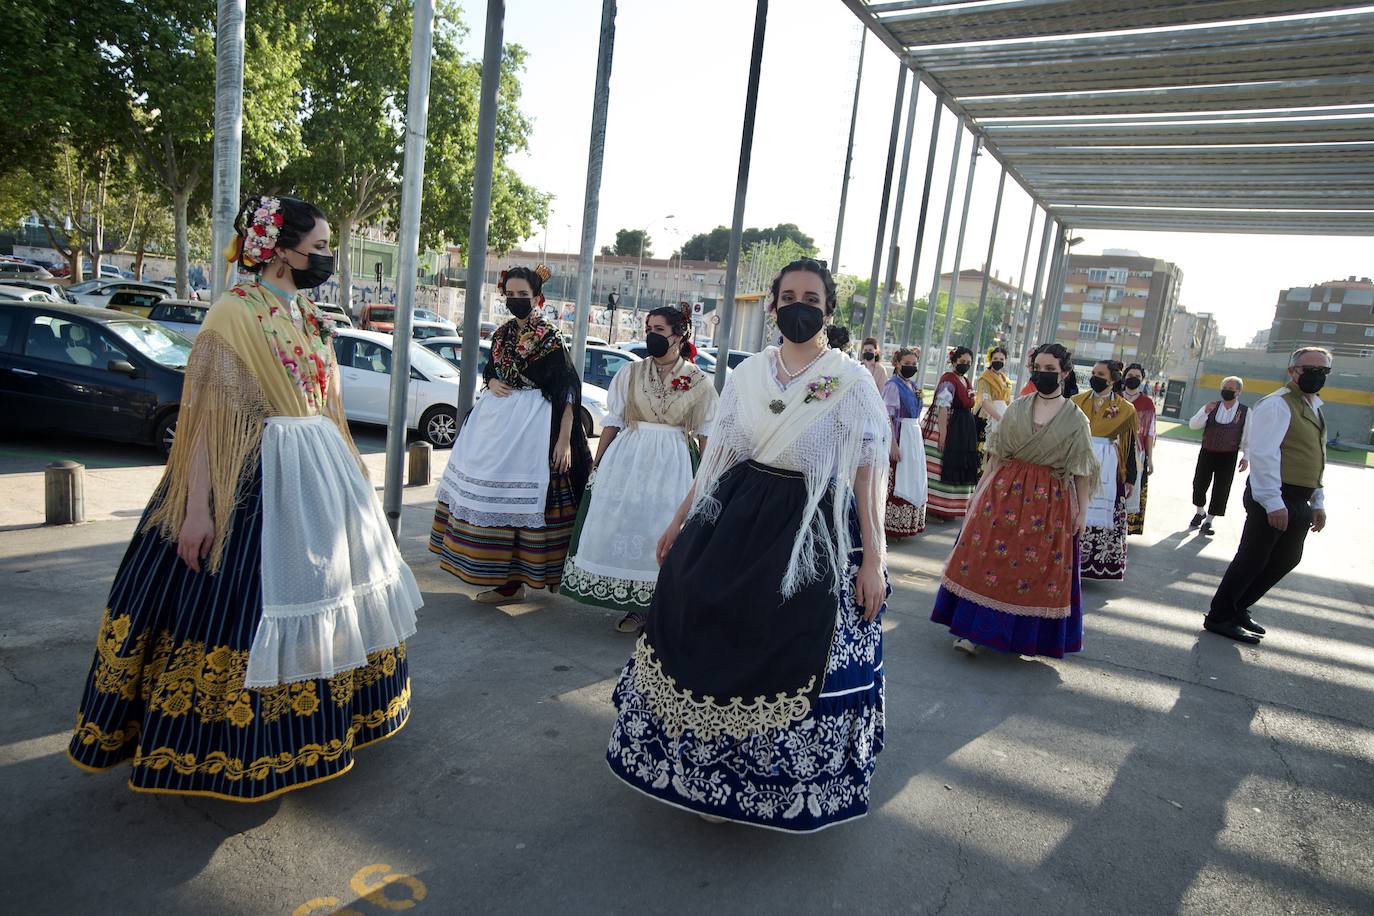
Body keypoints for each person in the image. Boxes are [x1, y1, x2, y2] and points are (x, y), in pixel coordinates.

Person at [67, 195, 420, 800]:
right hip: (256, 476)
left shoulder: (306, 313)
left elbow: (325, 403)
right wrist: (199, 510)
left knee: (328, 592)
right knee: (244, 605)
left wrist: (352, 470)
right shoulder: (234, 313)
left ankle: (324, 728)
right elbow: (205, 419)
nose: (327, 258)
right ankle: (232, 749)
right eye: (319, 248)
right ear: (280, 250)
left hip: (321, 474)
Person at [606, 258, 890, 832]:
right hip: (734, 515)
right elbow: (720, 458)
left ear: (829, 309)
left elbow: (867, 475)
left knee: (787, 642)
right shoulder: (748, 375)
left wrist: (876, 561)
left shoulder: (852, 383)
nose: (798, 305)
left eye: (811, 296)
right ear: (773, 307)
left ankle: (769, 785)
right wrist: (679, 521)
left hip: (812, 528)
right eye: (788, 296)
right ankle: (701, 775)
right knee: (701, 618)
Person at [431, 265, 592, 602]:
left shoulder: (550, 339)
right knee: (492, 497)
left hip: (534, 428)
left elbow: (567, 391)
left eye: (524, 295)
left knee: (531, 503)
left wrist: (564, 441)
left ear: (538, 298)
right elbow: (490, 370)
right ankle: (506, 582)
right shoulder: (502, 334)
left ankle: (527, 578)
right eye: (512, 294)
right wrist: (490, 382)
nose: (517, 300)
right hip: (496, 427)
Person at [932, 343, 1098, 657]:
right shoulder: (1019, 407)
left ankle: (1023, 637)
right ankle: (973, 632)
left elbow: (1082, 471)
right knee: (988, 561)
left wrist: (1082, 512)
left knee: (1033, 569)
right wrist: (979, 492)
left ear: (1064, 373)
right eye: (1039, 368)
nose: (1044, 374)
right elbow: (995, 457)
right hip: (1004, 493)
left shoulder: (1076, 419)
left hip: (1049, 502)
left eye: (1051, 370)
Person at [563, 303, 718, 633]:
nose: (651, 336)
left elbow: (705, 434)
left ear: (679, 335)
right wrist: (598, 461)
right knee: (627, 524)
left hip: (673, 460)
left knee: (662, 528)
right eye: (648, 329)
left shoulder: (699, 381)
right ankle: (635, 607)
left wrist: (709, 477)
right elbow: (614, 421)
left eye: (659, 330)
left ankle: (659, 606)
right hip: (629, 458)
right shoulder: (631, 372)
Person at [1205, 349, 1331, 644]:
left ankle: (1238, 607)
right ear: (1292, 371)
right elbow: (1263, 455)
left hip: (1300, 498)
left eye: (1323, 371)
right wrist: (1273, 501)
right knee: (1253, 558)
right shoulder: (1277, 405)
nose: (1316, 375)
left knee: (1287, 558)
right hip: (1275, 495)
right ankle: (1220, 615)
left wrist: (1318, 500)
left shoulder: (1313, 406)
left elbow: (1315, 456)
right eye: (1308, 369)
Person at [1072, 360, 1138, 581]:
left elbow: (1129, 447)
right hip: (1079, 457)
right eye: (1093, 373)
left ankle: (1095, 562)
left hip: (1108, 462)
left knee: (1104, 509)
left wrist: (1130, 477)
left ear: (1113, 379)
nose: (1095, 377)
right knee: (1075, 506)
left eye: (1100, 373)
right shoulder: (1076, 401)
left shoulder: (1126, 409)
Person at [923, 346, 980, 520]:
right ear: (954, 361)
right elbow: (942, 408)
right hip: (949, 425)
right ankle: (935, 507)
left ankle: (950, 508)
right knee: (940, 463)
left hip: (962, 429)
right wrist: (943, 434)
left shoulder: (965, 380)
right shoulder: (948, 380)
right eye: (962, 362)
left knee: (958, 463)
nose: (965, 365)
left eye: (968, 362)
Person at [1188, 376, 1249, 535]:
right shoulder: (1212, 406)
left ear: (1239, 391)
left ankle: (1209, 520)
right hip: (1207, 451)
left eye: (1231, 389)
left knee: (1221, 488)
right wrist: (1205, 411)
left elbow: (1248, 436)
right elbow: (1193, 425)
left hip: (1228, 455)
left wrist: (1246, 457)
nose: (1227, 391)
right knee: (1199, 483)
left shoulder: (1245, 411)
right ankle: (1199, 511)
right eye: (1225, 388)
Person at [883, 347, 926, 538]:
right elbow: (887, 417)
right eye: (907, 364)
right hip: (900, 435)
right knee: (897, 477)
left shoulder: (914, 386)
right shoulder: (893, 385)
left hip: (913, 436)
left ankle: (905, 523)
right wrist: (893, 444)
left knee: (912, 476)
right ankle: (889, 524)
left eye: (914, 364)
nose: (910, 367)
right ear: (897, 364)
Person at [1122, 363, 1156, 535]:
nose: (1133, 379)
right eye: (1130, 375)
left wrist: (1150, 458)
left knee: (1133, 487)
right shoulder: (1115, 397)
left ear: (1142, 380)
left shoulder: (1147, 403)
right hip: (1115, 449)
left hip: (1137, 453)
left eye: (1137, 376)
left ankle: (1126, 526)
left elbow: (1150, 432)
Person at [974, 345, 1012, 456]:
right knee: (985, 450)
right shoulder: (985, 378)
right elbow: (984, 401)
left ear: (1005, 361)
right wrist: (1000, 418)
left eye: (1001, 359)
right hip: (988, 416)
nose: (998, 361)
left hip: (1003, 415)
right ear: (991, 360)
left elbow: (1007, 401)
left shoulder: (1005, 379)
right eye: (995, 359)